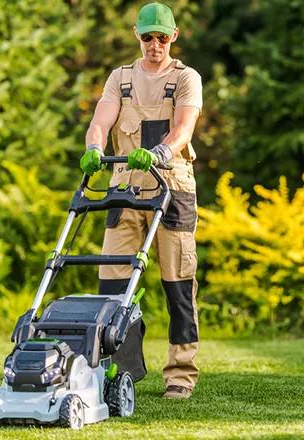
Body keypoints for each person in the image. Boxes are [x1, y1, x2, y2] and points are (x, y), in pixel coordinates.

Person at [80, 2, 202, 400]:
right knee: (113, 286)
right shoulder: (121, 78)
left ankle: (180, 375)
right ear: (137, 34)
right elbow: (101, 120)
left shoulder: (187, 78)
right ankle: (122, 371)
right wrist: (95, 148)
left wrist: (160, 153)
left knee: (177, 286)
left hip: (172, 188)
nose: (154, 44)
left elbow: (183, 127)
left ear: (174, 36)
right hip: (125, 188)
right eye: (148, 36)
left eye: (162, 37)